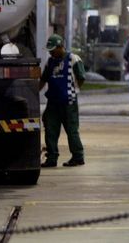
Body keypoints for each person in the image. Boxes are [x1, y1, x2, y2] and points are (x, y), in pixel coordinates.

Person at [39, 34, 85, 167]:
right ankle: (51, 158)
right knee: (50, 130)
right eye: (50, 51)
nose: (51, 53)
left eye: (53, 50)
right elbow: (44, 79)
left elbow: (81, 77)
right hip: (53, 102)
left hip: (69, 102)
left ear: (60, 47)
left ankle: (78, 157)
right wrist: (35, 92)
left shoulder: (73, 59)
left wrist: (73, 90)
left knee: (72, 130)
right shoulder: (50, 62)